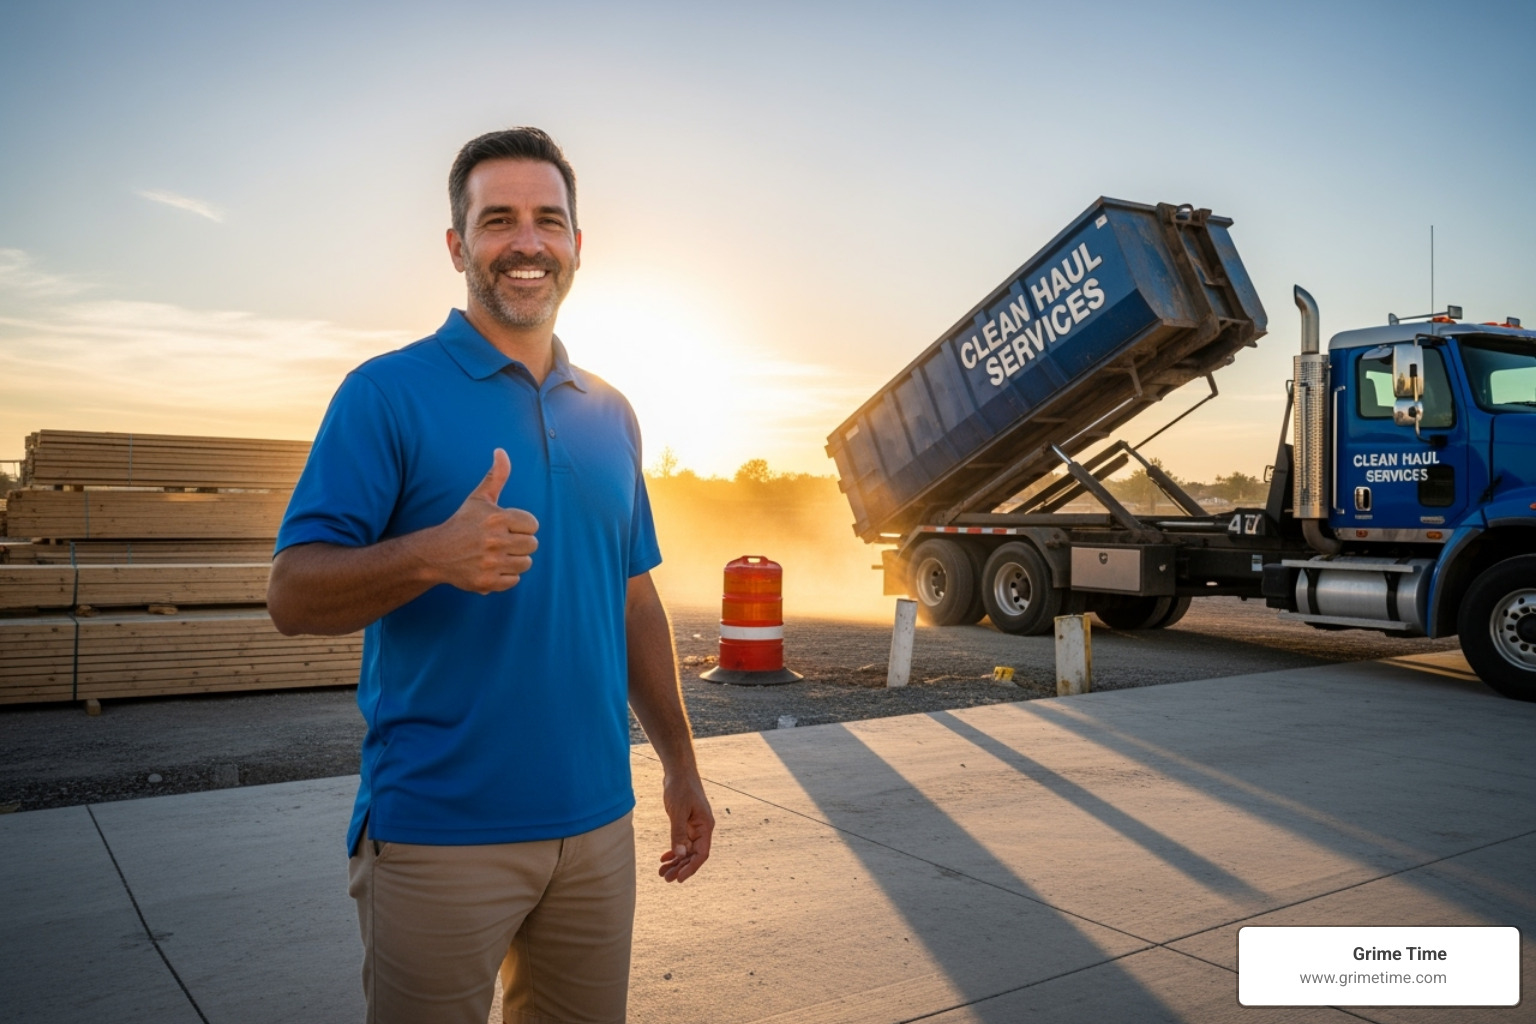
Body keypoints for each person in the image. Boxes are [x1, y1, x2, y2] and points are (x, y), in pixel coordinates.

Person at [267, 127, 714, 1024]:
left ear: (578, 246)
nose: (527, 242)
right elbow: (292, 593)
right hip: (438, 834)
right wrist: (432, 554)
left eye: (549, 220)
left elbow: (632, 601)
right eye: (498, 219)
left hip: (597, 827)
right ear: (457, 245)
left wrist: (680, 765)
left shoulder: (612, 412)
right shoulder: (385, 394)